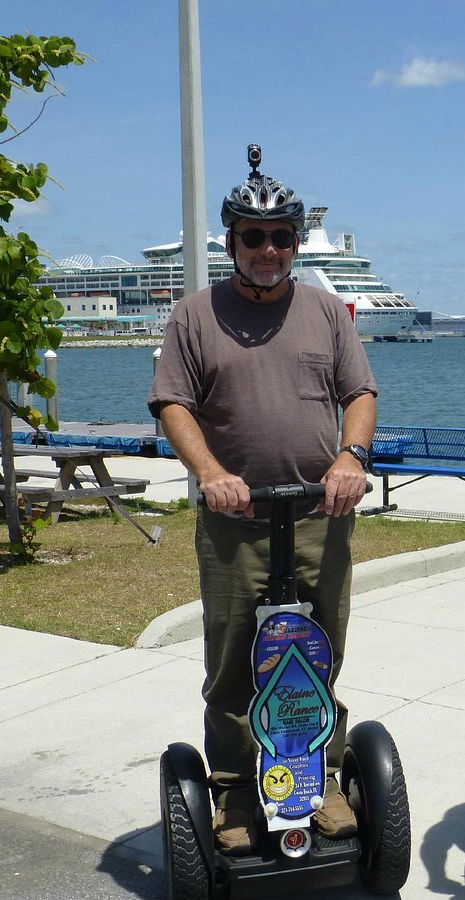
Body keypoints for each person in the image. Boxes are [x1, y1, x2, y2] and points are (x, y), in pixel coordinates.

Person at [148, 145, 377, 854]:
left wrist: (351, 454)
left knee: (317, 653)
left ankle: (324, 776)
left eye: (281, 236)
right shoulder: (194, 315)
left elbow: (359, 393)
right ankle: (235, 791)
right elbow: (173, 405)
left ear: (295, 241)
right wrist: (211, 472)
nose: (269, 249)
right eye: (255, 236)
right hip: (233, 523)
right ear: (232, 242)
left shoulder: (326, 312)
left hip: (318, 514)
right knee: (234, 659)